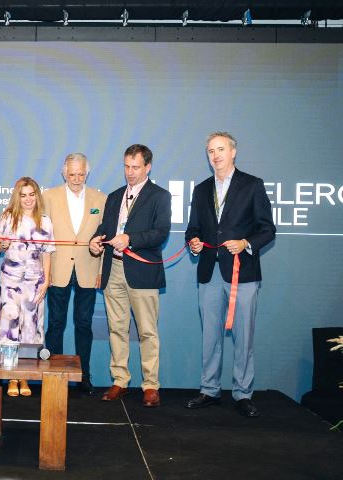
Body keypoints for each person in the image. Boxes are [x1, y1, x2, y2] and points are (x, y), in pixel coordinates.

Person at [185, 132, 275, 418]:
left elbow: (267, 229)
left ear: (233, 152)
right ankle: (209, 389)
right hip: (209, 272)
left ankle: (243, 393)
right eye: (211, 151)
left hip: (242, 273)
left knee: (243, 337)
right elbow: (193, 228)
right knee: (210, 337)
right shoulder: (201, 189)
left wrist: (245, 242)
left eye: (221, 149)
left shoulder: (252, 185)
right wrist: (193, 242)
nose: (216, 155)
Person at [90, 144, 171, 407]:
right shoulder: (115, 196)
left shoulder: (160, 196)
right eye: (127, 166)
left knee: (147, 331)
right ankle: (120, 380)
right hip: (113, 269)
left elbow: (161, 232)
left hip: (142, 272)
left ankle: (151, 385)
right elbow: (105, 228)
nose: (130, 172)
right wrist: (95, 240)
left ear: (148, 167)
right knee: (117, 328)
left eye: (135, 167)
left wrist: (130, 239)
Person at [43, 153, 106, 396]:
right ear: (64, 173)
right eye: (72, 174)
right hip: (57, 270)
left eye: (81, 174)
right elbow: (43, 236)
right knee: (55, 324)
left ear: (87, 173)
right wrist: (45, 271)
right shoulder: (49, 196)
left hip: (88, 270)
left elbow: (104, 237)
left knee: (84, 325)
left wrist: (100, 270)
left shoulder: (100, 199)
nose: (77, 179)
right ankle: (54, 375)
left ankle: (84, 377)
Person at [0, 177, 55, 397]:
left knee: (31, 327)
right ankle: (11, 376)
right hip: (10, 280)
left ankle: (25, 376)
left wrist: (46, 280)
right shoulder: (7, 217)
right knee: (9, 324)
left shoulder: (45, 221)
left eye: (31, 194)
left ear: (37, 196)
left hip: (35, 281)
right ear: (17, 197)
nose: (28, 199)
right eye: (23, 195)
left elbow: (47, 253)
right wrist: (2, 244)